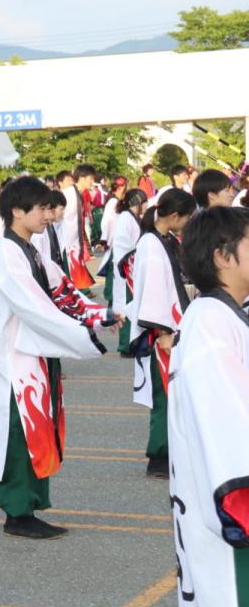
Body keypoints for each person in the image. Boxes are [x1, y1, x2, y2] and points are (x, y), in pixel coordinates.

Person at [0, 177, 118, 539]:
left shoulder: (31, 249)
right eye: (41, 208)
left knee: (38, 428)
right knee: (19, 434)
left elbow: (62, 290)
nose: (49, 215)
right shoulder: (6, 253)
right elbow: (35, 306)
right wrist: (83, 331)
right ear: (16, 211)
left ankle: (29, 506)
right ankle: (17, 511)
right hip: (17, 360)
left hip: (36, 354)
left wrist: (98, 315)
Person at [167, 205, 249, 607]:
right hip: (232, 521)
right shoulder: (211, 328)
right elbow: (231, 435)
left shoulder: (221, 317)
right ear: (223, 255)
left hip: (215, 521)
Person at [129, 188, 196, 479]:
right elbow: (153, 291)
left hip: (172, 324)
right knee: (164, 396)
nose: (189, 221)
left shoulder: (165, 239)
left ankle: (170, 452)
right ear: (173, 216)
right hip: (161, 332)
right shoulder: (151, 244)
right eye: (188, 216)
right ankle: (158, 455)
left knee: (174, 394)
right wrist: (163, 332)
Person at [109, 189, 149, 356]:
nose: (146, 205)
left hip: (131, 265)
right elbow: (122, 244)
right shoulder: (126, 218)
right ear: (137, 202)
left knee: (131, 303)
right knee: (125, 304)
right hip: (126, 267)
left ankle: (132, 342)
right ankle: (126, 345)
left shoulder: (131, 217)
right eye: (144, 201)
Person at [57, 164, 98, 290]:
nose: (92, 182)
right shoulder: (68, 194)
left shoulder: (79, 194)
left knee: (77, 281)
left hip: (75, 244)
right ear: (82, 178)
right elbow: (56, 218)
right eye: (91, 179)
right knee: (70, 283)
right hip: (66, 243)